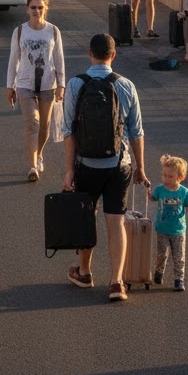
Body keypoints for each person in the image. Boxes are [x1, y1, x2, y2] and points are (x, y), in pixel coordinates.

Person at [62, 33, 146, 300]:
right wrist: (140, 167)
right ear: (114, 55)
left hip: (86, 164)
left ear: (89, 53)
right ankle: (116, 282)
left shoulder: (76, 84)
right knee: (116, 222)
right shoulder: (126, 86)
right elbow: (136, 131)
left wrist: (69, 170)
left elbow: (68, 131)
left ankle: (85, 272)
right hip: (119, 165)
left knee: (87, 218)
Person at [5, 0, 66, 181]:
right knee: (32, 122)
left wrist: (61, 84)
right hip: (25, 82)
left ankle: (39, 153)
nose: (37, 11)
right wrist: (10, 85)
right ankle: (32, 166)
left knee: (44, 126)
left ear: (46, 9)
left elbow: (59, 58)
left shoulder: (53, 30)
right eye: (33, 7)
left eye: (40, 8)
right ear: (27, 9)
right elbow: (13, 59)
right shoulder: (20, 31)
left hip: (48, 82)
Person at [150, 154, 188, 292]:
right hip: (162, 229)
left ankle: (179, 279)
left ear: (180, 177)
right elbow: (153, 198)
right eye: (164, 175)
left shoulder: (184, 192)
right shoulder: (160, 190)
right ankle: (159, 271)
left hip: (178, 230)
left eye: (170, 176)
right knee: (162, 254)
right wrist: (148, 192)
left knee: (179, 256)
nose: (166, 179)